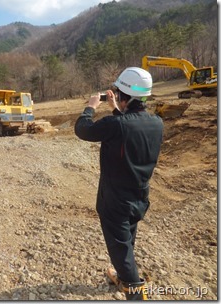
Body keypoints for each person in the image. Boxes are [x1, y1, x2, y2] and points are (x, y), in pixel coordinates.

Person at [74, 67, 163, 300]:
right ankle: (123, 275)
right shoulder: (156, 123)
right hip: (140, 196)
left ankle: (135, 293)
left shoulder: (116, 125)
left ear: (124, 96)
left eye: (117, 94)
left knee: (120, 247)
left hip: (115, 199)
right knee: (127, 239)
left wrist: (90, 106)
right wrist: (116, 107)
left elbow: (83, 130)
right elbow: (127, 128)